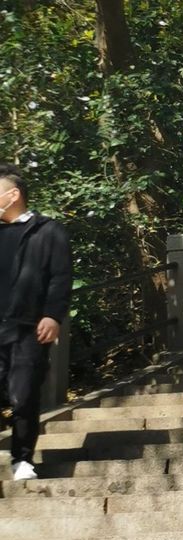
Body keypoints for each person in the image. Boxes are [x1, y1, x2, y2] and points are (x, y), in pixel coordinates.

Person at [0, 164, 72, 481]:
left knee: (24, 393)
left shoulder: (47, 231)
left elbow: (60, 276)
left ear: (12, 194)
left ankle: (22, 460)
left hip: (27, 328)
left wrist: (53, 315)